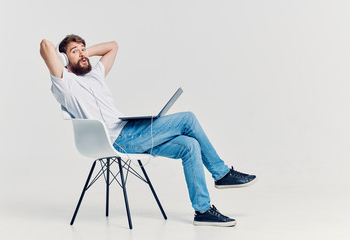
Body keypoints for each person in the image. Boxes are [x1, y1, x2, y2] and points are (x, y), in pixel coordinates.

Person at [40, 34, 257, 227]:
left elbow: (113, 46)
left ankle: (202, 211)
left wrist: (85, 52)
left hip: (132, 131)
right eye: (74, 51)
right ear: (65, 60)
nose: (82, 54)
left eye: (83, 48)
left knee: (190, 145)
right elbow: (45, 45)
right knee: (188, 119)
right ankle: (222, 174)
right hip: (116, 140)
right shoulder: (64, 84)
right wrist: (68, 59)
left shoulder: (95, 76)